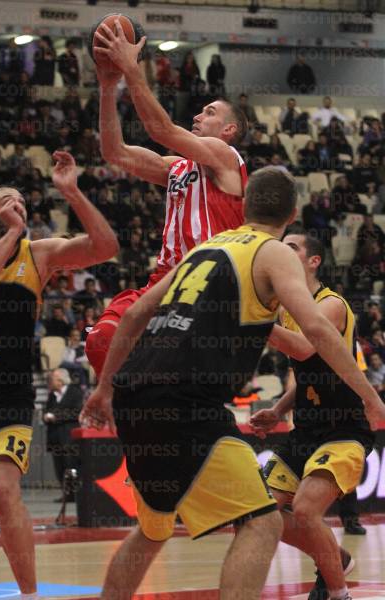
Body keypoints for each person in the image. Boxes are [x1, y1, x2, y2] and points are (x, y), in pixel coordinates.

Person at [80, 167, 385, 600]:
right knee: (263, 521)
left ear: (244, 206)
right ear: (292, 212)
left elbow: (132, 315)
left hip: (135, 393)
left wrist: (105, 388)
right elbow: (314, 335)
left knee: (152, 529)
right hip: (186, 401)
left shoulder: (205, 246)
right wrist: (373, 398)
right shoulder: (272, 252)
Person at [0, 151, 118, 600]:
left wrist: (73, 193)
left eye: (22, 201)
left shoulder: (35, 255)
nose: (18, 205)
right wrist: (14, 231)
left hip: (9, 395)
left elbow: (105, 248)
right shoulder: (10, 242)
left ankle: (28, 595)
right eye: (8, 201)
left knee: (4, 490)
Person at [85, 22, 248, 378]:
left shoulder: (226, 157)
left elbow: (161, 130)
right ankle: (130, 409)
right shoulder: (177, 167)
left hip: (207, 280)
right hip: (163, 278)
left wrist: (131, 68)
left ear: (229, 130)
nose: (197, 115)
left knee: (175, 369)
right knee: (101, 341)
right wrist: (108, 87)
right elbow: (115, 153)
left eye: (209, 113)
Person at [251, 229, 379, 600]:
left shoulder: (331, 304)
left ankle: (338, 593)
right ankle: (332, 556)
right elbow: (309, 373)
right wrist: (277, 409)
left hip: (343, 427)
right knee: (257, 513)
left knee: (306, 511)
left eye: (292, 247)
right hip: (305, 429)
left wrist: (251, 321)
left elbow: (306, 348)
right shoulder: (287, 309)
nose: (282, 250)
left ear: (313, 261)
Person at [43, 368, 83, 500]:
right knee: (59, 466)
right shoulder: (52, 396)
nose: (50, 381)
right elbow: (46, 411)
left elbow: (76, 412)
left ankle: (75, 494)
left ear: (60, 380)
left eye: (53, 378)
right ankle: (66, 494)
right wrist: (46, 417)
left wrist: (56, 417)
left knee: (71, 465)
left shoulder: (75, 392)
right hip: (55, 438)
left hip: (69, 438)